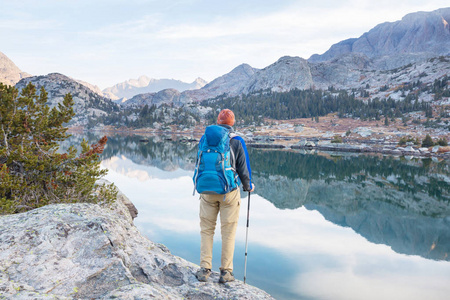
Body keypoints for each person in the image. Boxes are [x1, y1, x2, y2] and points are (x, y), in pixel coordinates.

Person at [195, 109, 255, 283]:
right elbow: (244, 169)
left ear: (218, 121)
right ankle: (226, 272)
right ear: (232, 123)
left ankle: (204, 270)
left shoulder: (204, 139)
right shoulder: (236, 140)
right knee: (228, 232)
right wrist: (248, 185)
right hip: (229, 193)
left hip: (206, 191)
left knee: (206, 230)